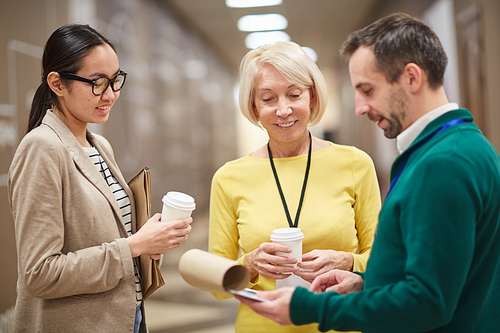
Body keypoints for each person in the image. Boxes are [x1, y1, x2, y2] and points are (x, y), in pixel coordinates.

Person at [236, 12, 500, 333]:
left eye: (368, 90)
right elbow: (433, 273)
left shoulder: (444, 163)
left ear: (412, 78)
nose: (360, 107)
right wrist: (364, 280)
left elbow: (428, 301)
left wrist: (310, 306)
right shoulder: (453, 146)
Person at [8, 24, 193, 333]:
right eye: (97, 83)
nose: (110, 94)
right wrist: (133, 246)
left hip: (125, 318)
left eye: (115, 80)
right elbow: (40, 273)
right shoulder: (42, 148)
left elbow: (111, 239)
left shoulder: (98, 144)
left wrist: (148, 241)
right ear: (57, 83)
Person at [209, 41, 381, 332]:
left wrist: (348, 261)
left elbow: (383, 261)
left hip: (341, 323)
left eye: (294, 94)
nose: (283, 110)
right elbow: (217, 285)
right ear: (254, 105)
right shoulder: (229, 178)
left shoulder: (355, 163)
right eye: (268, 99)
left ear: (312, 97)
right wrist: (250, 263)